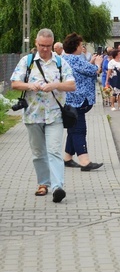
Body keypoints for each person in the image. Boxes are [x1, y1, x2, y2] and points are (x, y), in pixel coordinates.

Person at [10, 28, 76, 202]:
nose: (44, 49)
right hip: (33, 115)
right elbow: (15, 83)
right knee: (38, 153)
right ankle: (43, 183)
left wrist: (55, 85)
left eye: (47, 46)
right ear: (36, 43)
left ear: (53, 44)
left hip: (55, 115)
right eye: (41, 45)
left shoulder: (60, 62)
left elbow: (71, 85)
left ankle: (57, 187)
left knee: (54, 150)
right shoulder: (27, 61)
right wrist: (29, 86)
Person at [61, 32, 104, 172]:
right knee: (79, 130)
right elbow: (94, 71)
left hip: (68, 100)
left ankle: (67, 158)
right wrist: (97, 63)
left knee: (73, 130)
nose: (82, 47)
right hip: (78, 100)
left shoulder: (63, 58)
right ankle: (85, 161)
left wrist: (90, 63)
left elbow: (82, 70)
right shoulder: (76, 59)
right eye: (81, 45)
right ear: (76, 46)